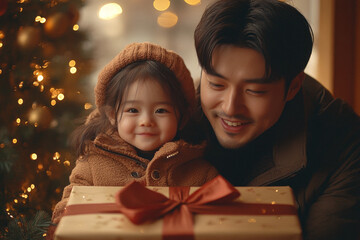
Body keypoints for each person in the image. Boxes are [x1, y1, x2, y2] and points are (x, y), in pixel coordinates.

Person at [192, 0, 360, 240]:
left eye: (255, 91)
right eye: (216, 84)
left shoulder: (343, 140)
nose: (230, 107)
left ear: (293, 87)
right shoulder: (166, 116)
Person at [51, 42, 218, 225]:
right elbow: (66, 211)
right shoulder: (92, 166)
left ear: (182, 117)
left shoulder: (200, 171)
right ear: (113, 115)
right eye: (132, 110)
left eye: (161, 110)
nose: (146, 121)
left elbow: (221, 220)